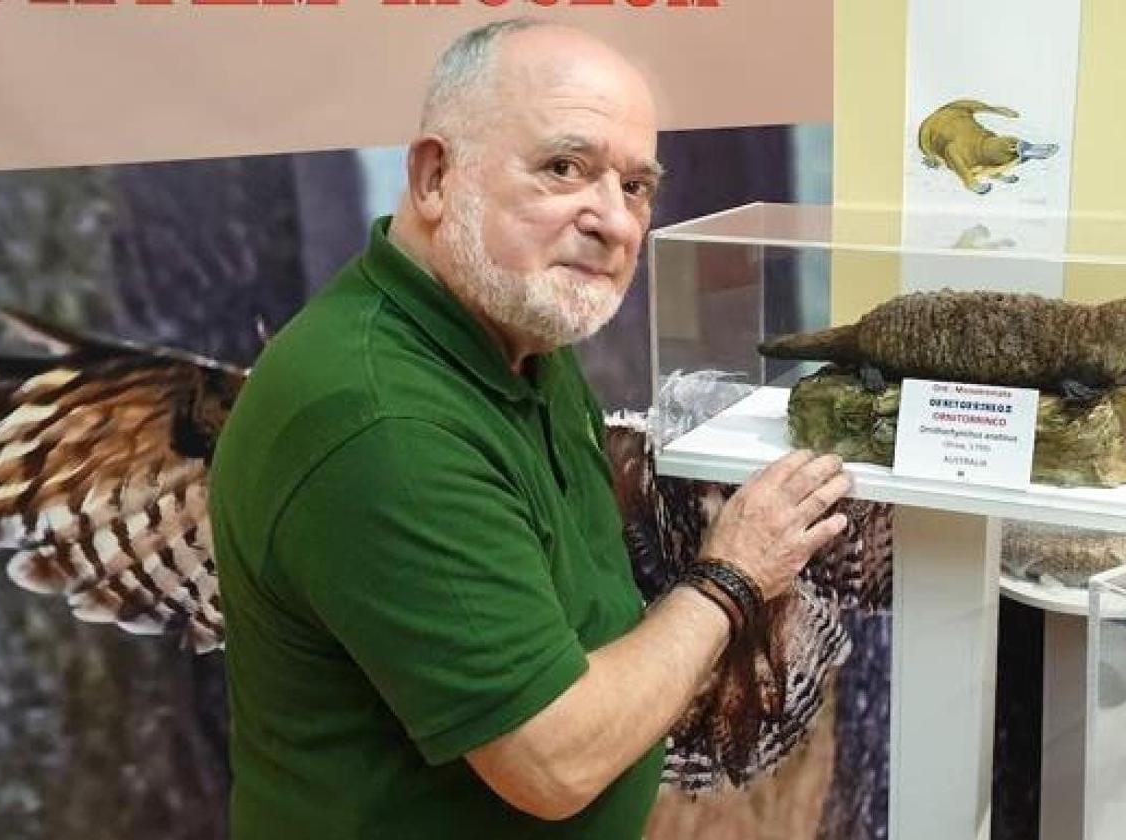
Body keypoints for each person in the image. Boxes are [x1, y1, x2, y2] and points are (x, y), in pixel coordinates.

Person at [209, 18, 852, 840]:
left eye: (635, 186)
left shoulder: (517, 336)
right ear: (436, 176)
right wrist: (731, 575)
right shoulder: (381, 419)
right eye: (564, 168)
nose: (615, 222)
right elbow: (554, 763)